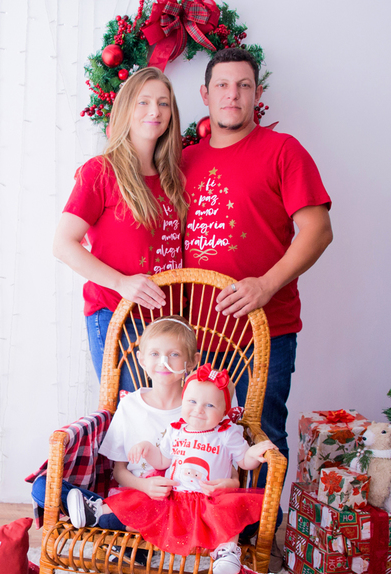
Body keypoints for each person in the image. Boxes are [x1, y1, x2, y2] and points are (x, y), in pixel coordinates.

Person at [182, 46, 333, 480]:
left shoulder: (283, 151)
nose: (233, 94)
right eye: (223, 86)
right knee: (199, 436)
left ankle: (258, 541)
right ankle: (215, 537)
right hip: (200, 334)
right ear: (205, 94)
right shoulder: (184, 159)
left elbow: (318, 230)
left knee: (262, 435)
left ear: (257, 93)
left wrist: (265, 285)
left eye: (243, 86)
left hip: (264, 329)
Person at [54, 66, 187, 383]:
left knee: (167, 423)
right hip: (118, 315)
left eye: (163, 103)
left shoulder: (174, 178)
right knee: (131, 421)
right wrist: (122, 283)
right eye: (143, 102)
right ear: (126, 108)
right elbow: (63, 244)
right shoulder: (100, 171)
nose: (155, 111)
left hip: (169, 324)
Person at [100, 365, 276, 574]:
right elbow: (163, 460)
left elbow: (245, 461)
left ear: (223, 412)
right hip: (174, 498)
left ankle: (226, 551)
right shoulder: (176, 429)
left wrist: (254, 452)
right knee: (140, 505)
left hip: (209, 500)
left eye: (210, 405)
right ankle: (97, 513)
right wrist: (147, 448)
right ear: (183, 402)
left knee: (229, 514)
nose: (198, 410)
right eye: (192, 402)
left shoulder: (227, 433)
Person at [34, 316, 198, 537]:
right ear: (141, 360)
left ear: (192, 361)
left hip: (177, 501)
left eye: (174, 354)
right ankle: (107, 515)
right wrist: (144, 486)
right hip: (132, 494)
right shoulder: (130, 405)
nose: (163, 362)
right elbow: (119, 471)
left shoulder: (197, 409)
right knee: (42, 487)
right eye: (155, 354)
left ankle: (102, 517)